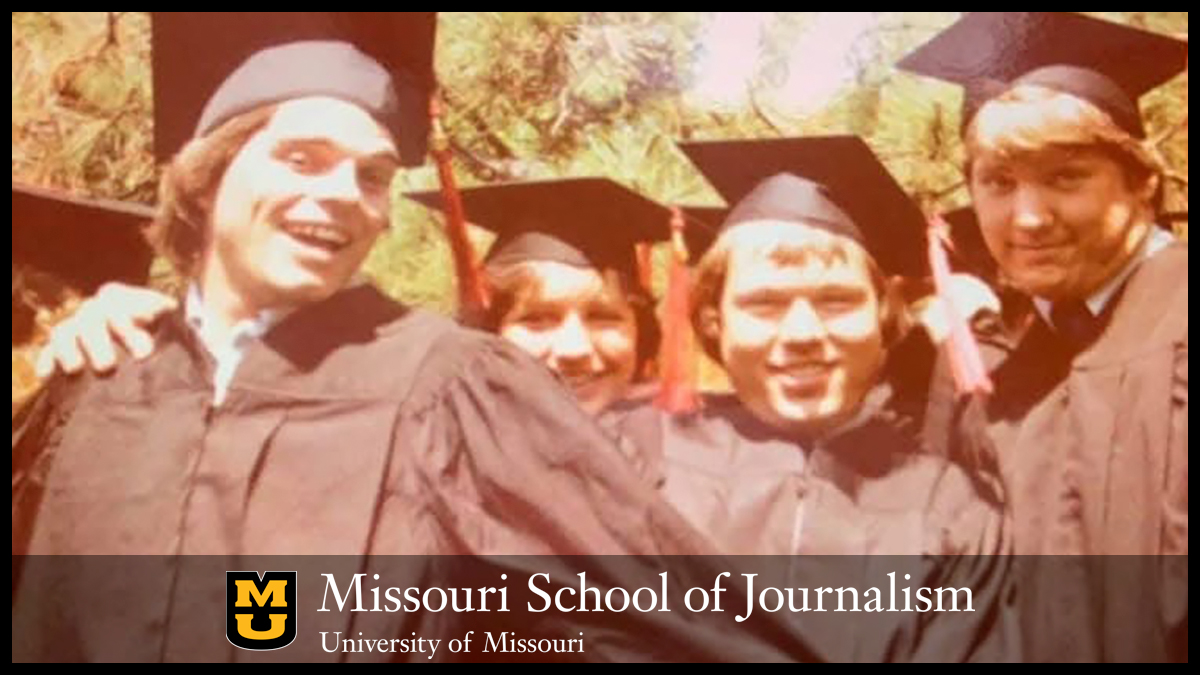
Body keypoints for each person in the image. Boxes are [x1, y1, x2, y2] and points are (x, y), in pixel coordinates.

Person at [13, 15, 793, 663]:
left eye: (373, 175)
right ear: (209, 175)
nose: (342, 196)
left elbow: (676, 621)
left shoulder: (450, 386)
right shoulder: (100, 382)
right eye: (302, 158)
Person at [615, 136, 1016, 662]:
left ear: (882, 316)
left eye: (836, 301)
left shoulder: (951, 506)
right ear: (716, 319)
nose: (803, 332)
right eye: (765, 304)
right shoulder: (636, 458)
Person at [900, 11, 1188, 662]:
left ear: (1142, 182)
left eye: (1066, 176)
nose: (1027, 217)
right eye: (998, 183)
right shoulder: (1013, 370)